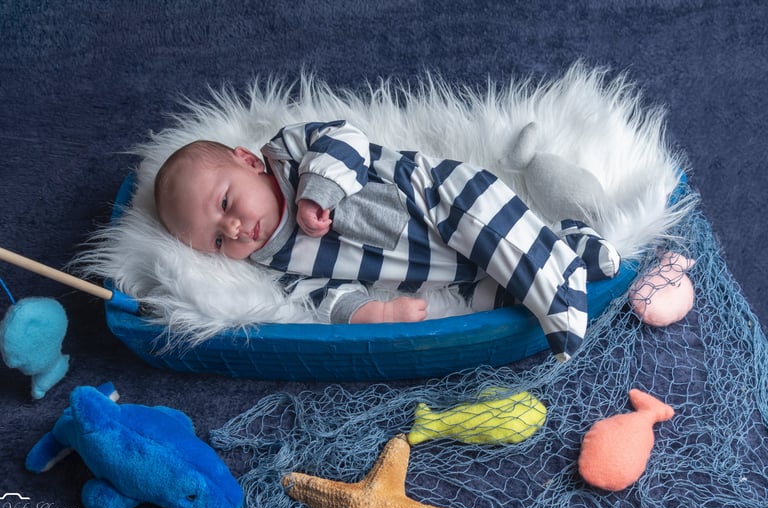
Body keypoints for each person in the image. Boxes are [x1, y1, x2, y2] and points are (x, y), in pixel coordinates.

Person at [154, 120, 619, 361]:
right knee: (490, 296)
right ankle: (571, 244)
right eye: (218, 241)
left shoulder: (288, 153)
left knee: (488, 230)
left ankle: (558, 284)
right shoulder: (276, 263)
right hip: (438, 274)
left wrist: (318, 189)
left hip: (435, 199)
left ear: (247, 161)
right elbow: (318, 296)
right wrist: (375, 312)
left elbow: (345, 137)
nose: (235, 229)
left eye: (226, 203)